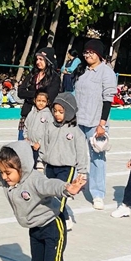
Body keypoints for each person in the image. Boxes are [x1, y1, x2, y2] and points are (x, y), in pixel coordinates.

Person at [74, 39, 117, 210]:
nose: (88, 55)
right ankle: (76, 184)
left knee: (97, 158)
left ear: (99, 54)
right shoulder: (82, 71)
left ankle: (98, 194)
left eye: (91, 52)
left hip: (95, 122)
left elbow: (108, 99)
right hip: (78, 120)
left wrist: (102, 124)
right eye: (85, 52)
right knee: (76, 155)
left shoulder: (106, 72)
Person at [40, 93, 88, 232]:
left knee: (60, 195)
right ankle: (54, 218)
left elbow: (81, 152)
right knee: (49, 194)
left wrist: (82, 171)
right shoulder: (50, 127)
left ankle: (63, 219)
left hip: (66, 168)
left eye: (61, 112)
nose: (57, 114)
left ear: (69, 112)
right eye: (55, 111)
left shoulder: (75, 132)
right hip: (50, 166)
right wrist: (41, 161)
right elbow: (44, 144)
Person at [17, 47, 60, 140]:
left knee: (39, 144)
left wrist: (29, 95)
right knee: (22, 143)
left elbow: (49, 97)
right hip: (27, 113)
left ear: (48, 61)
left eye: (41, 59)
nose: (38, 62)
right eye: (37, 59)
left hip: (43, 116)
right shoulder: (32, 74)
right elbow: (20, 92)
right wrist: (38, 94)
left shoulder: (54, 77)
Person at [24, 91, 53, 168]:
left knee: (38, 167)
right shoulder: (32, 112)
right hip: (29, 144)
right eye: (39, 100)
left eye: (43, 101)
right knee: (29, 165)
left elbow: (48, 132)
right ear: (35, 100)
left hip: (40, 147)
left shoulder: (48, 115)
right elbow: (26, 125)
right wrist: (25, 136)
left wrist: (40, 143)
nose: (41, 103)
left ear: (47, 102)